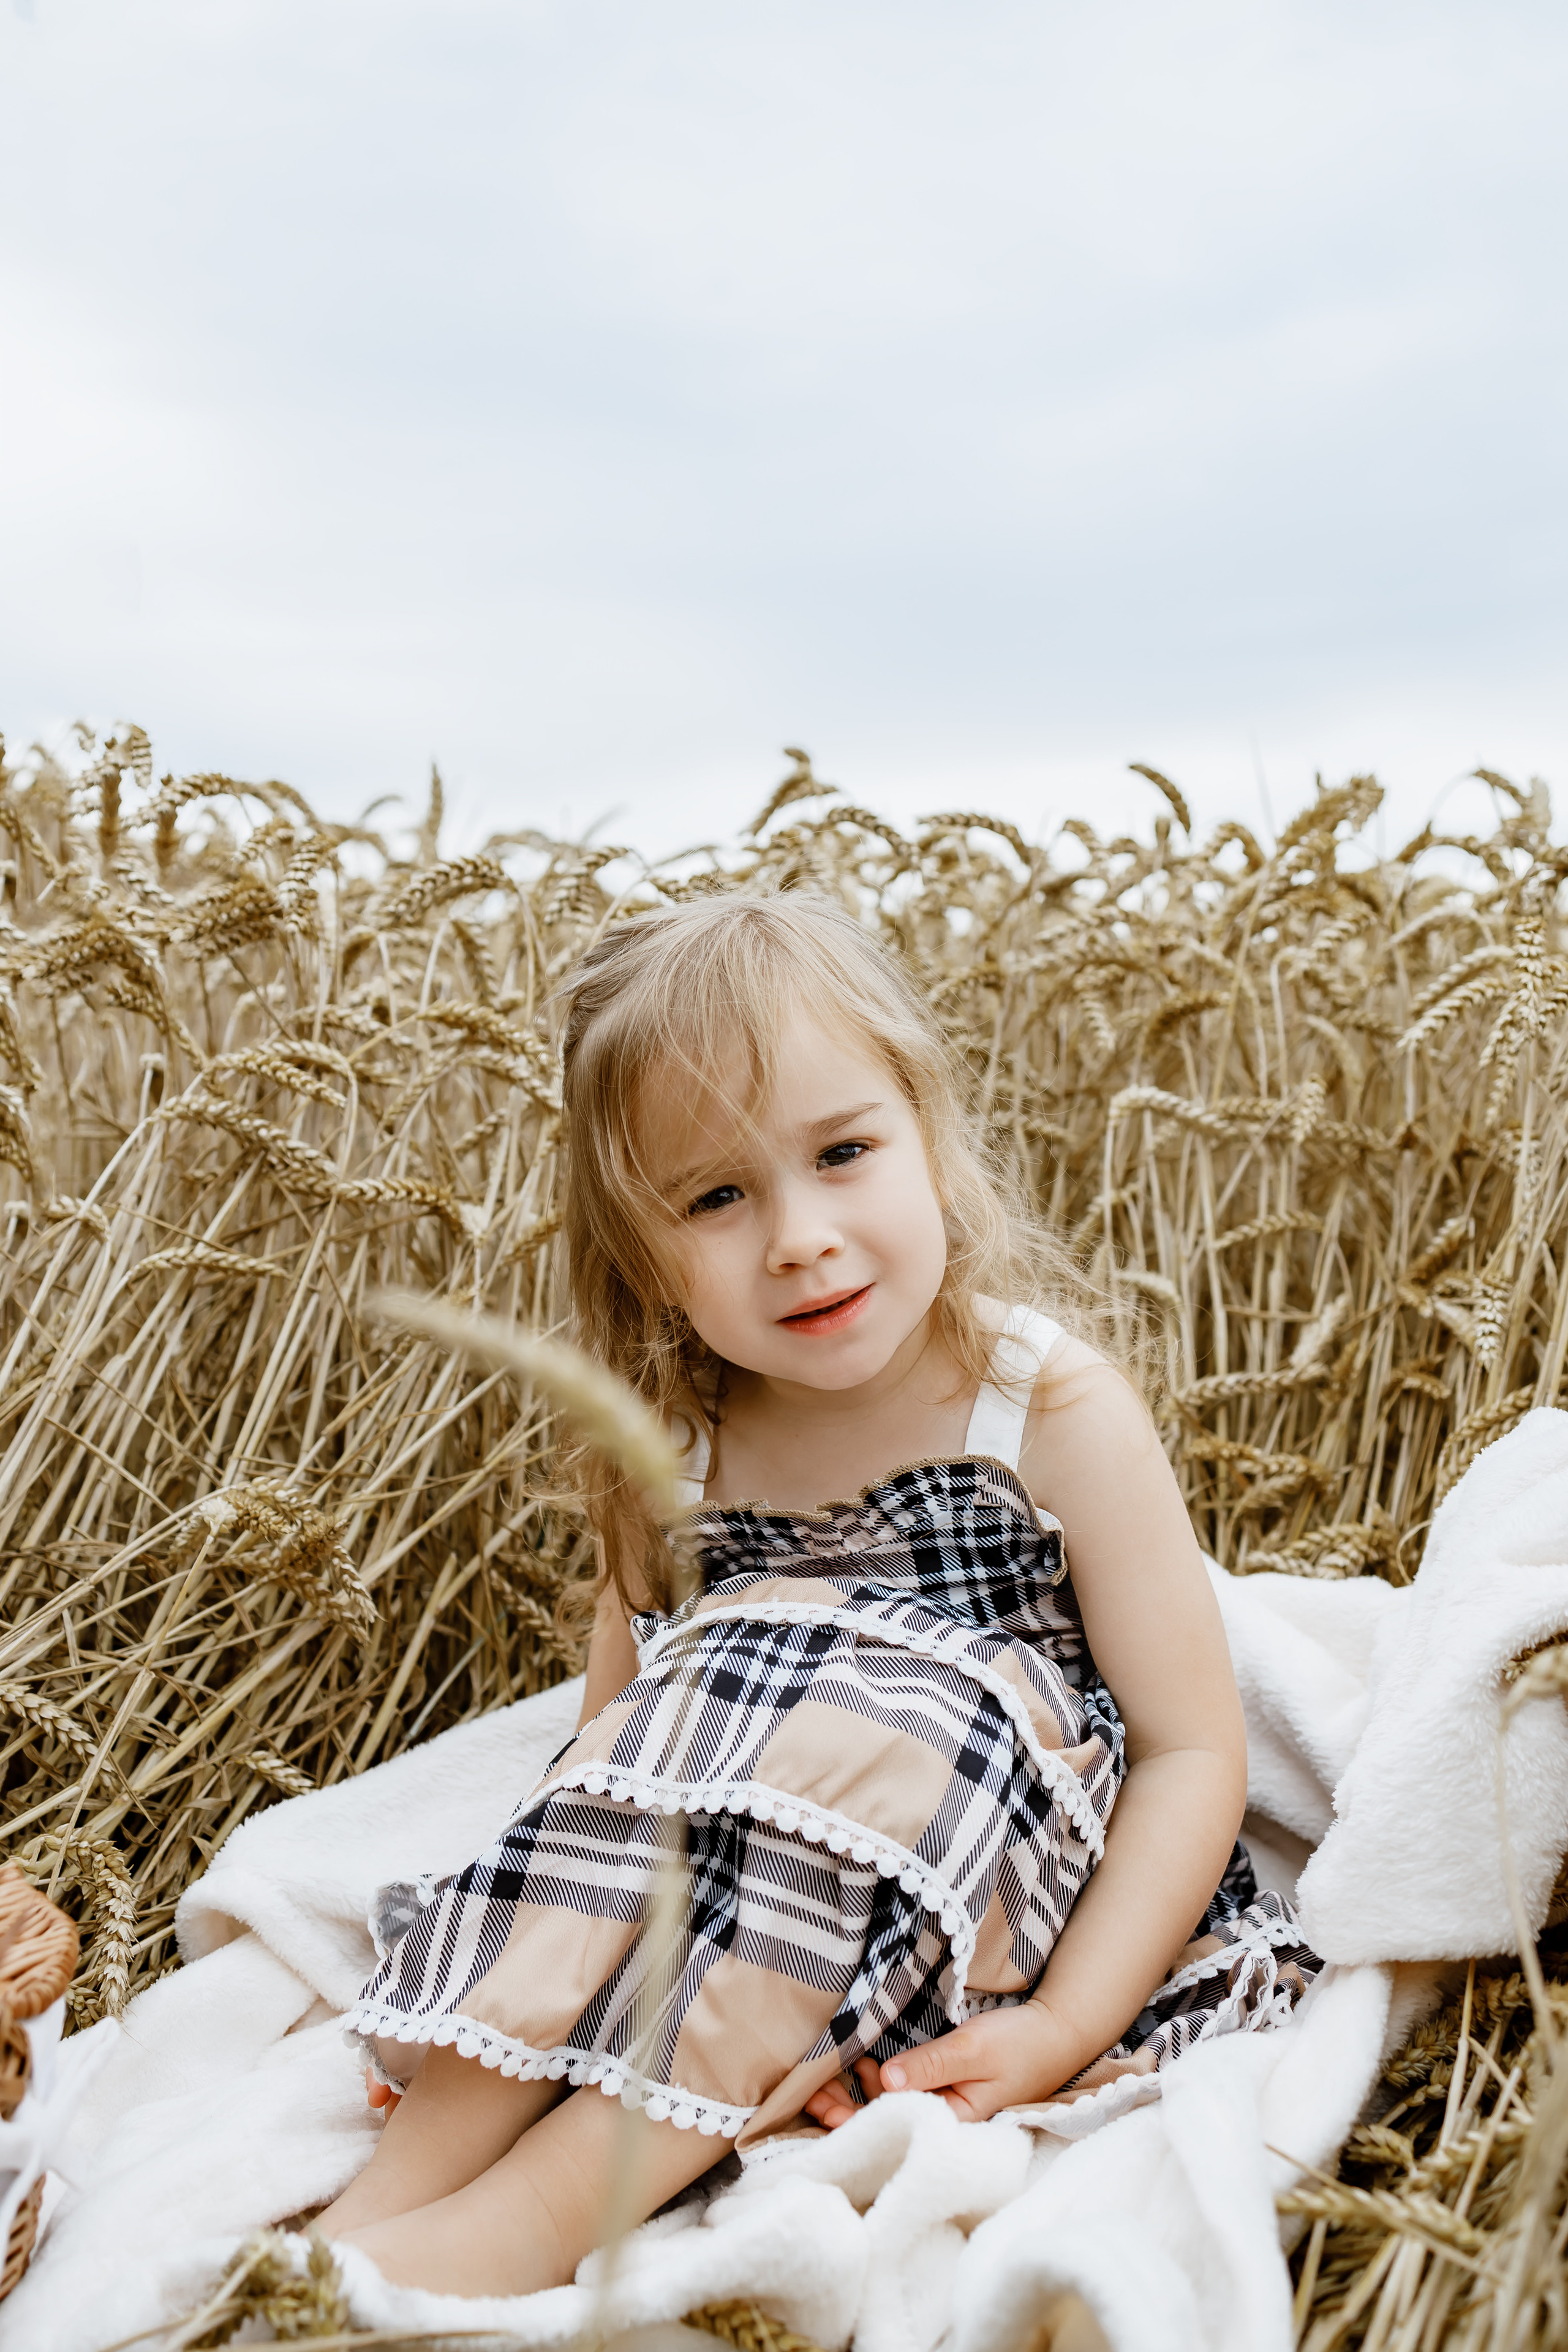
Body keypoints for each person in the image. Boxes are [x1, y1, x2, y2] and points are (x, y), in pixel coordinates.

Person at [320, 892, 1318, 2299]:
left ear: (930, 1139)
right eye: (714, 1197)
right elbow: (613, 1758)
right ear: (638, 1250)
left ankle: (518, 2229)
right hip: (729, 1854)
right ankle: (388, 2192)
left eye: (842, 1153)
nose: (796, 1235)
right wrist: (501, 2003)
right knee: (685, 1722)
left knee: (870, 1714)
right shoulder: (668, 1443)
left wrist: (1065, 2026)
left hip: (966, 1869)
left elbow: (1191, 1751)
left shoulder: (1045, 1412)